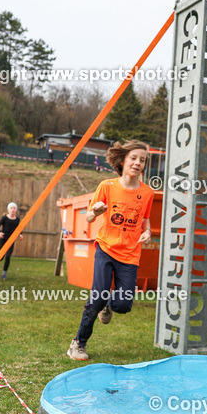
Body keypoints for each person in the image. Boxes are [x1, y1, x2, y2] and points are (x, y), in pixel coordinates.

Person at [67, 139, 153, 361]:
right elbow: (88, 217)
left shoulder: (147, 192)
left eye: (142, 160)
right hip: (106, 248)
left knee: (123, 305)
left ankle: (109, 304)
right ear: (122, 161)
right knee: (97, 298)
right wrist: (95, 212)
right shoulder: (107, 186)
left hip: (130, 254)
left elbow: (145, 219)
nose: (138, 163)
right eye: (133, 158)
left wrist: (148, 231)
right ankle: (78, 344)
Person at [0, 202, 23, 278]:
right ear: (8, 209)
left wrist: (20, 234)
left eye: (14, 208)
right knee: (0, 257)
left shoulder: (17, 219)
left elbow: (18, 228)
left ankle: (4, 273)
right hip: (3, 239)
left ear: (16, 210)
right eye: (11, 208)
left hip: (11, 240)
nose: (13, 210)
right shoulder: (4, 218)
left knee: (8, 256)